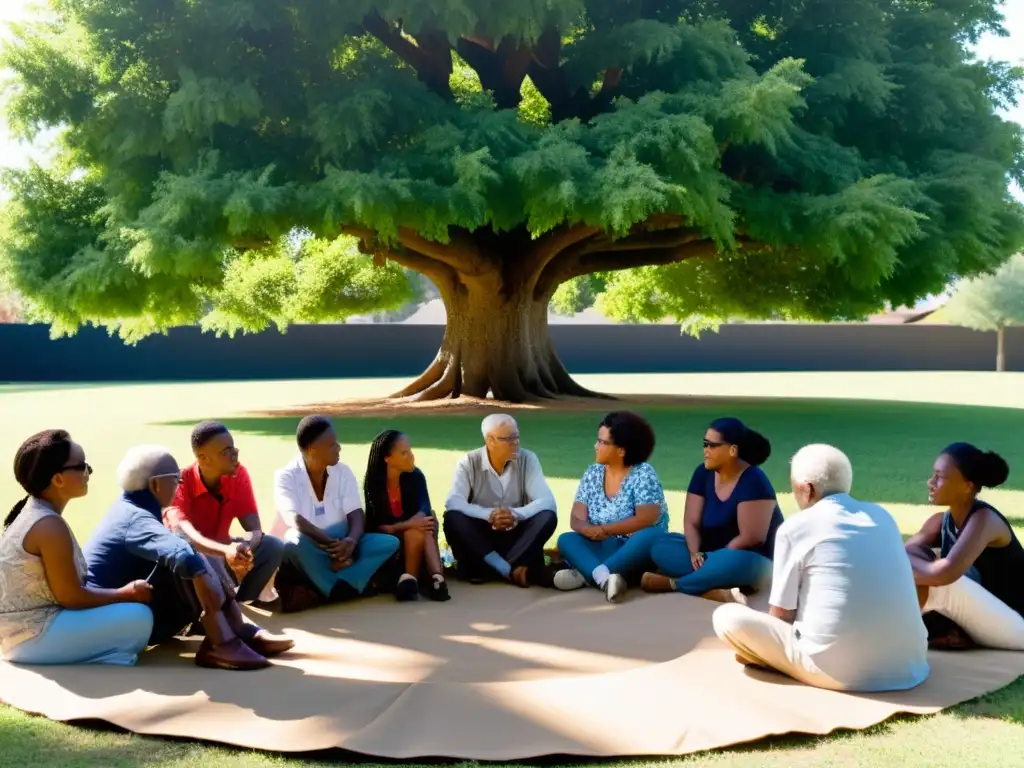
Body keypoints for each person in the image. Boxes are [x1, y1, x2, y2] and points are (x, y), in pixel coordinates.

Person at [713, 444, 930, 692]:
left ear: (808, 489)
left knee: (726, 617)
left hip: (837, 671)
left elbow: (781, 618)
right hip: (911, 663)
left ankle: (777, 663)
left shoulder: (796, 527)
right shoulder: (883, 516)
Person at [86, 445, 294, 670]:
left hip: (124, 609)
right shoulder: (135, 518)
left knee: (193, 555)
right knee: (188, 555)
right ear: (156, 484)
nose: (179, 485)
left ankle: (236, 629)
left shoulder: (131, 508)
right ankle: (221, 642)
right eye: (176, 480)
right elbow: (183, 555)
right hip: (115, 620)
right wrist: (207, 578)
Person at [0, 430, 153, 666]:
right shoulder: (48, 525)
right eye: (82, 466)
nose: (88, 473)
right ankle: (105, 655)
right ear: (58, 479)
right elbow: (71, 597)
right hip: (30, 639)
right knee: (139, 617)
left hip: (20, 635)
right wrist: (126, 593)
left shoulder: (35, 514)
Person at [641, 417, 783, 601]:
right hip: (706, 555)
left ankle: (675, 584)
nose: (705, 451)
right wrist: (694, 553)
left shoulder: (754, 480)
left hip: (750, 558)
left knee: (734, 562)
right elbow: (691, 522)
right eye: (704, 444)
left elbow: (752, 537)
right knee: (661, 547)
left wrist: (717, 558)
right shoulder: (703, 473)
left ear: (733, 450)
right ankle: (711, 587)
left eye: (712, 445)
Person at [904, 442, 1024, 650]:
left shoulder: (985, 520)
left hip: (1017, 624)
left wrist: (919, 565)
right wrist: (920, 562)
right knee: (926, 563)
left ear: (968, 485)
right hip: (983, 622)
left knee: (944, 580)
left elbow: (943, 574)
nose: (930, 482)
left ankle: (899, 635)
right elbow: (901, 555)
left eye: (940, 477)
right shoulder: (940, 522)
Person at [274, 415, 400, 606]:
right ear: (312, 449)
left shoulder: (343, 471)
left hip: (346, 542)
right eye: (332, 444)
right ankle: (338, 587)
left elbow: (356, 514)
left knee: (389, 543)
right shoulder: (286, 476)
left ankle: (341, 584)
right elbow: (294, 519)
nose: (339, 447)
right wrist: (332, 546)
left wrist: (350, 542)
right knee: (293, 542)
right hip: (313, 544)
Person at [553, 411, 668, 603]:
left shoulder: (643, 473)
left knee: (651, 535)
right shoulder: (593, 472)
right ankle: (607, 579)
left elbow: (647, 518)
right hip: (604, 545)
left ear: (621, 450)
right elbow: (576, 518)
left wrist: (604, 529)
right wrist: (586, 529)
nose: (595, 446)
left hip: (635, 549)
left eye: (602, 442)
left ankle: (589, 574)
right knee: (567, 539)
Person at [164, 422, 283, 605]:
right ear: (203, 458)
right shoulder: (179, 483)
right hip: (194, 562)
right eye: (226, 452)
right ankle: (215, 610)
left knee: (272, 546)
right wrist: (226, 551)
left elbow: (254, 528)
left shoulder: (238, 473)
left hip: (224, 554)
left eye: (233, 448)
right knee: (202, 557)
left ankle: (239, 602)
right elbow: (184, 534)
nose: (235, 455)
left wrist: (244, 551)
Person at [443, 414, 557, 587]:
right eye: (508, 439)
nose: (516, 443)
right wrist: (488, 515)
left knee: (547, 516)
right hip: (481, 537)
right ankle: (510, 569)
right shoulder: (468, 463)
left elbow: (547, 501)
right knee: (453, 517)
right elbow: (454, 501)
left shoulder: (528, 459)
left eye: (517, 436)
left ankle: (486, 570)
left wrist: (515, 514)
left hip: (517, 535)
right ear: (490, 441)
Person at [363, 430, 450, 602]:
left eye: (410, 450)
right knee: (419, 527)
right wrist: (401, 527)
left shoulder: (415, 476)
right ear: (387, 458)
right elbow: (378, 526)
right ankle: (436, 579)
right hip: (391, 546)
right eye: (404, 453)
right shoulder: (373, 482)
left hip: (416, 537)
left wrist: (405, 525)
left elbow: (424, 507)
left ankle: (412, 580)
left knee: (422, 526)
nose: (411, 456)